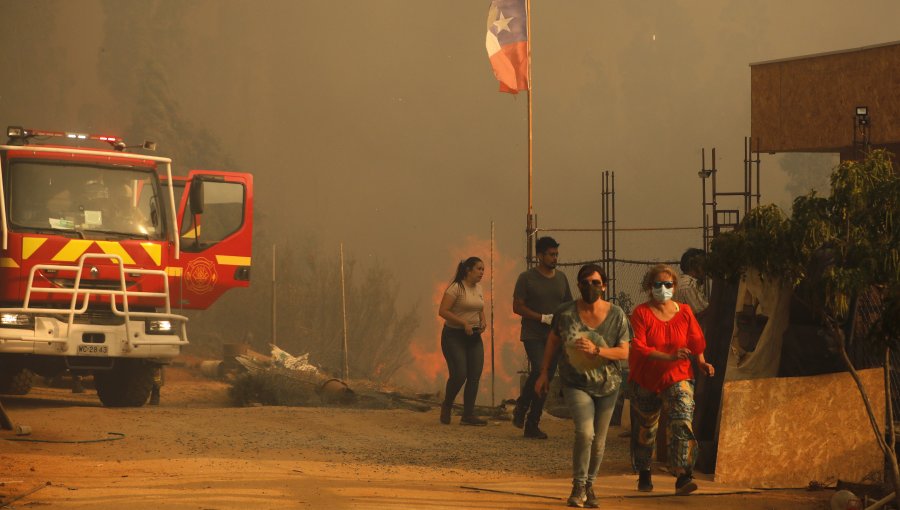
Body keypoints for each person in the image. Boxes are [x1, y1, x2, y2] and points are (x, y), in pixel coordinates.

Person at [535, 264, 630, 508]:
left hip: (608, 384)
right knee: (585, 432)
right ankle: (578, 485)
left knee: (599, 440)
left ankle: (590, 485)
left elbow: (623, 352)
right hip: (576, 382)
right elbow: (553, 340)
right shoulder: (565, 313)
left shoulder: (616, 315)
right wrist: (544, 373)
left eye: (596, 283)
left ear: (604, 286)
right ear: (578, 285)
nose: (591, 287)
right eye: (586, 283)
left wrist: (598, 350)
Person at [628, 264, 715, 495]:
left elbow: (696, 341)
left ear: (675, 287)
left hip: (678, 374)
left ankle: (683, 475)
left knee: (682, 418)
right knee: (647, 427)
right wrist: (667, 356)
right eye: (658, 284)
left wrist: (702, 362)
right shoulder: (641, 313)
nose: (663, 288)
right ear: (649, 287)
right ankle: (645, 471)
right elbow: (639, 346)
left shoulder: (685, 312)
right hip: (646, 377)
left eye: (668, 284)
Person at [512, 236, 573, 439]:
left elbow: (568, 305)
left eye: (556, 254)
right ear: (539, 256)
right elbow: (517, 306)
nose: (555, 258)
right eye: (551, 254)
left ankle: (532, 422)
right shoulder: (526, 278)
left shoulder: (561, 278)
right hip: (533, 335)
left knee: (545, 378)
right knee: (540, 370)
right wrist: (541, 317)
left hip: (554, 337)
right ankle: (522, 406)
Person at [437, 257, 487, 426]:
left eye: (483, 270)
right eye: (479, 269)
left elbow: (480, 307)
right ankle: (447, 405)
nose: (481, 273)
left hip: (473, 336)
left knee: (474, 376)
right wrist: (463, 322)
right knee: (459, 374)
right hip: (454, 336)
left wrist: (483, 320)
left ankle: (468, 414)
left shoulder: (479, 288)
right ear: (468, 270)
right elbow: (443, 311)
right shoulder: (456, 288)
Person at [674, 248, 709, 322]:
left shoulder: (678, 281)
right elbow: (700, 313)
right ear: (695, 267)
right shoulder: (688, 286)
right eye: (703, 266)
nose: (706, 271)